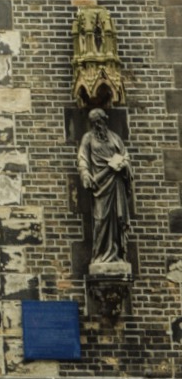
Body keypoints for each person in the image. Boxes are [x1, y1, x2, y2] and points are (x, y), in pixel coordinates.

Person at [78, 107, 135, 269]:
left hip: (116, 184)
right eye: (93, 122)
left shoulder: (116, 138)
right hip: (100, 186)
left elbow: (126, 157)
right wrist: (85, 174)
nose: (97, 125)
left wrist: (124, 165)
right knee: (101, 219)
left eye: (99, 121)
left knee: (117, 219)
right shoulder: (88, 138)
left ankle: (116, 255)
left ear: (105, 120)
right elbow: (82, 158)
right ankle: (100, 256)